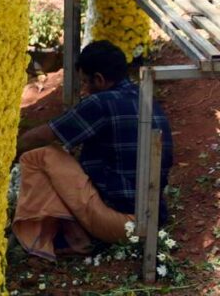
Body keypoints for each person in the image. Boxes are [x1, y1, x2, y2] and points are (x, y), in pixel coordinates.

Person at [13, 40, 174, 260]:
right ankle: (73, 229)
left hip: (122, 224)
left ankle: (72, 238)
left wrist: (3, 154)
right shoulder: (146, 98)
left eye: (85, 83)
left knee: (38, 156)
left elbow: (43, 135)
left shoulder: (100, 102)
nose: (85, 90)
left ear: (99, 79)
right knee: (67, 157)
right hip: (154, 218)